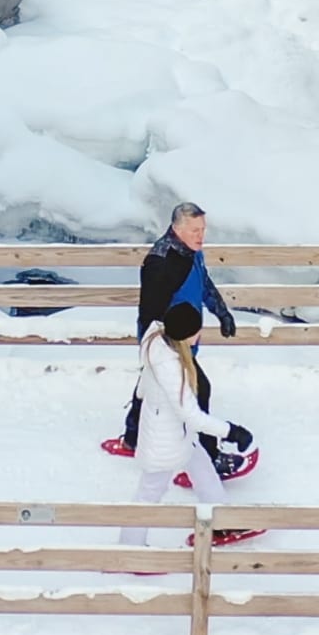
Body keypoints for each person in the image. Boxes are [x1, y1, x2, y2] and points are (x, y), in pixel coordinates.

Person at [117, 203, 250, 471]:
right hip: (170, 341)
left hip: (186, 336)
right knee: (200, 390)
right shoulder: (160, 262)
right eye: (194, 230)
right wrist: (166, 348)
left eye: (203, 229)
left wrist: (221, 312)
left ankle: (132, 438)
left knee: (149, 383)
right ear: (177, 229)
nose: (201, 236)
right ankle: (208, 458)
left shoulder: (192, 252)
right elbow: (151, 313)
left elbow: (203, 282)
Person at [116, 303, 261, 548]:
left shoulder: (156, 339)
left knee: (204, 471)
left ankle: (221, 521)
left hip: (179, 435)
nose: (199, 334)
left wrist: (141, 399)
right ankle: (130, 549)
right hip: (165, 440)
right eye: (196, 330)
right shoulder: (171, 368)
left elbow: (143, 383)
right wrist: (231, 431)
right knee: (148, 495)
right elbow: (192, 415)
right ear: (184, 334)